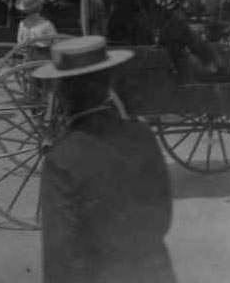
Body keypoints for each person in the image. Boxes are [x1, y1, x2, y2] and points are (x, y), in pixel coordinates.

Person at [33, 36, 176, 283]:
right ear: (109, 82)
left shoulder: (62, 160)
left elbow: (61, 259)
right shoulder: (142, 136)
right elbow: (162, 218)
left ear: (62, 93)